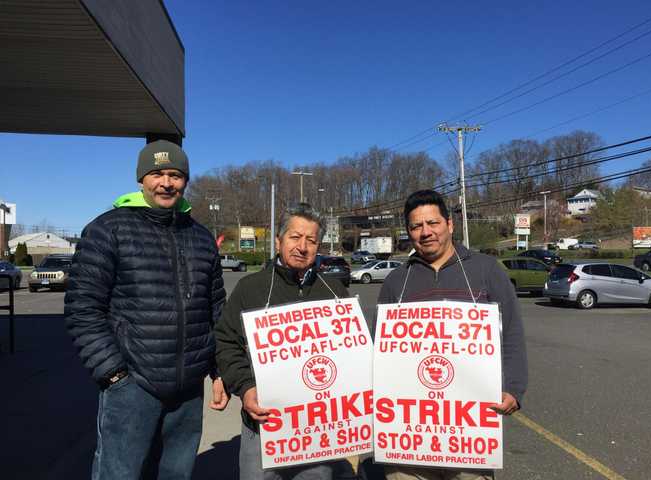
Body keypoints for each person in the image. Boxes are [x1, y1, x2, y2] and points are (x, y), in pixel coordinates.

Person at [65, 140, 228, 480]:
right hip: (133, 384)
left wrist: (219, 369)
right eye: (157, 173)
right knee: (118, 473)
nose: (166, 182)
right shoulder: (108, 229)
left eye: (175, 174)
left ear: (185, 180)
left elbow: (215, 308)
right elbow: (83, 307)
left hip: (187, 388)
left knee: (175, 473)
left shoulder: (199, 237)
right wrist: (113, 373)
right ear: (141, 179)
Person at [376, 189, 528, 480]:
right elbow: (379, 348)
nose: (426, 232)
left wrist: (514, 388)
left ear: (450, 224)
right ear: (408, 232)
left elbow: (510, 331)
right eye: (416, 226)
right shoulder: (397, 281)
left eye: (433, 223)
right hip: (407, 437)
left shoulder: (486, 270)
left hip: (469, 435)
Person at [215, 203, 351, 480]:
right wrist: (245, 386)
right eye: (295, 237)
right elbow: (225, 341)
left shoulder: (335, 292)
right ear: (278, 241)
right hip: (263, 426)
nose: (302, 247)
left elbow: (353, 354)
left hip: (319, 432)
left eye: (311, 241)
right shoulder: (250, 288)